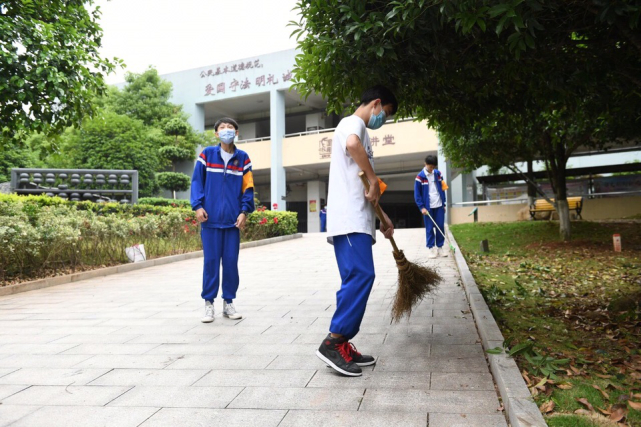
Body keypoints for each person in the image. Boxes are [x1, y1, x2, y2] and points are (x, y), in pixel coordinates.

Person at [316, 85, 397, 377]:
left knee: (355, 278)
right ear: (375, 104)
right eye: (385, 113)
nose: (382, 120)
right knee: (361, 275)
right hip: (348, 218)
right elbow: (352, 146)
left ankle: (343, 341)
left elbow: (365, 185)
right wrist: (374, 178)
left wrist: (383, 217)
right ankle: (333, 341)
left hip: (358, 220)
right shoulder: (353, 124)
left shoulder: (361, 132)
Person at [191, 117, 255, 323]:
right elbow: (197, 182)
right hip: (209, 220)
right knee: (210, 263)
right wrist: (198, 206)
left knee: (230, 263)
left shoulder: (243, 159)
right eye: (222, 128)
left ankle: (229, 303)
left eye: (230, 128)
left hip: (232, 222)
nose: (226, 130)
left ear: (236, 133)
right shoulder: (206, 155)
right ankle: (208, 304)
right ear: (216, 134)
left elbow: (248, 188)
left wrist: (244, 211)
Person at [414, 154, 448, 258]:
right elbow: (417, 194)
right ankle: (431, 248)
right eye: (430, 166)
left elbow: (442, 188)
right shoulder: (420, 177)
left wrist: (444, 203)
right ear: (425, 164)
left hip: (438, 205)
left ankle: (440, 247)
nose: (432, 169)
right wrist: (422, 207)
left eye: (433, 167)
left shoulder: (438, 174)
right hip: (427, 207)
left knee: (440, 226)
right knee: (429, 228)